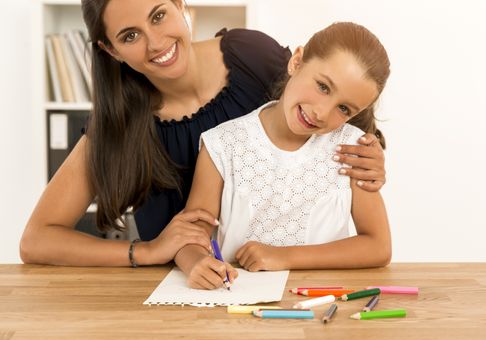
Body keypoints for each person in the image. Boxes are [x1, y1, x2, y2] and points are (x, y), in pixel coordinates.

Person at [20, 0, 386, 267]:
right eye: (130, 35)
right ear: (111, 50)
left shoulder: (251, 55)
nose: (156, 43)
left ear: (180, 5)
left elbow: (336, 108)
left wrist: (373, 155)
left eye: (159, 15)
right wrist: (143, 251)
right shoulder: (118, 124)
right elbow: (37, 240)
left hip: (287, 281)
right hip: (188, 291)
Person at [176, 22, 392, 290]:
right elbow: (189, 237)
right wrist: (196, 263)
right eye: (323, 87)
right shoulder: (223, 144)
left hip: (321, 308)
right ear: (297, 62)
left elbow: (378, 246)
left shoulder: (351, 150)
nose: (322, 113)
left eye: (344, 108)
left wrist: (283, 256)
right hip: (237, 311)